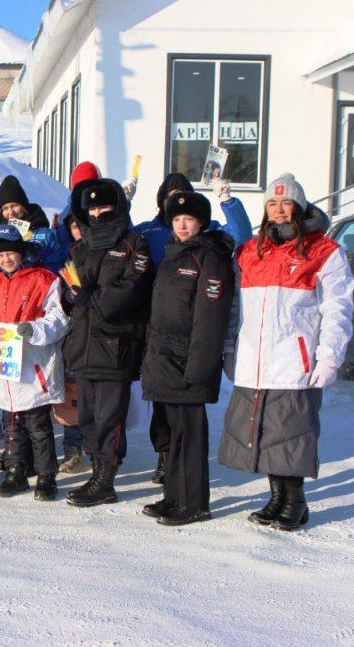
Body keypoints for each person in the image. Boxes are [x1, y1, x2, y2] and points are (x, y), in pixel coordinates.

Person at [219, 174, 354, 531]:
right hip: (255, 359)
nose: (279, 211)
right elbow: (236, 308)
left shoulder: (323, 251)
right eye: (272, 204)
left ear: (299, 206)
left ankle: (295, 502)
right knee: (264, 433)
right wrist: (231, 348)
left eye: (286, 203)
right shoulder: (249, 251)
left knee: (291, 433)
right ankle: (276, 498)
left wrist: (329, 357)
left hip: (294, 361)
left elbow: (338, 309)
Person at [134, 173, 253, 484]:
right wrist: (124, 202)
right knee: (159, 400)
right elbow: (114, 237)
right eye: (171, 197)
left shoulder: (208, 236)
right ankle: (165, 455)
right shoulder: (149, 230)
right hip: (156, 320)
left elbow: (241, 235)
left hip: (191, 321)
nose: (181, 218)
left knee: (185, 406)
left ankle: (185, 477)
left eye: (184, 197)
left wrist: (228, 200)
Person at [140, 191, 234, 526]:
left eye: (189, 220)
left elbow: (211, 319)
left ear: (201, 223)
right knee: (175, 433)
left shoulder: (211, 257)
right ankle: (174, 496)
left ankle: (194, 503)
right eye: (177, 220)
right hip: (165, 360)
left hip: (190, 362)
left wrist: (199, 367)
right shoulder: (173, 254)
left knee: (191, 435)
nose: (182, 225)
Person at [63, 178, 153, 508]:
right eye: (93, 209)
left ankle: (106, 478)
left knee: (108, 416)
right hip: (83, 343)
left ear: (118, 209)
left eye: (105, 208)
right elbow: (71, 291)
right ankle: (97, 470)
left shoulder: (133, 245)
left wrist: (92, 297)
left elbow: (130, 292)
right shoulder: (80, 248)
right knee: (87, 416)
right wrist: (69, 296)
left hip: (114, 346)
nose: (98, 214)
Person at [0, 226, 70, 500]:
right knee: (12, 424)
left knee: (38, 427)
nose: (6, 259)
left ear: (21, 253)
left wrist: (34, 329)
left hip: (35, 365)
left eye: (11, 253)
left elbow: (59, 319)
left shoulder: (45, 279)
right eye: (1, 255)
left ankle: (46, 476)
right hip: (5, 366)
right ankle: (15, 473)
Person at [56, 215, 86, 474]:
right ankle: (73, 450)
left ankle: (102, 451)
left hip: (100, 332)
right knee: (72, 393)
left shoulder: (108, 250)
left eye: (81, 225)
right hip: (73, 331)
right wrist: (68, 296)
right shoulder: (68, 257)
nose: (78, 230)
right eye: (74, 227)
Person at [0, 175, 62, 274]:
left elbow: (57, 266)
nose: (10, 212)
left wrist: (35, 259)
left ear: (24, 206)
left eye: (14, 206)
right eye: (5, 208)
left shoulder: (45, 234)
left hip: (38, 286)